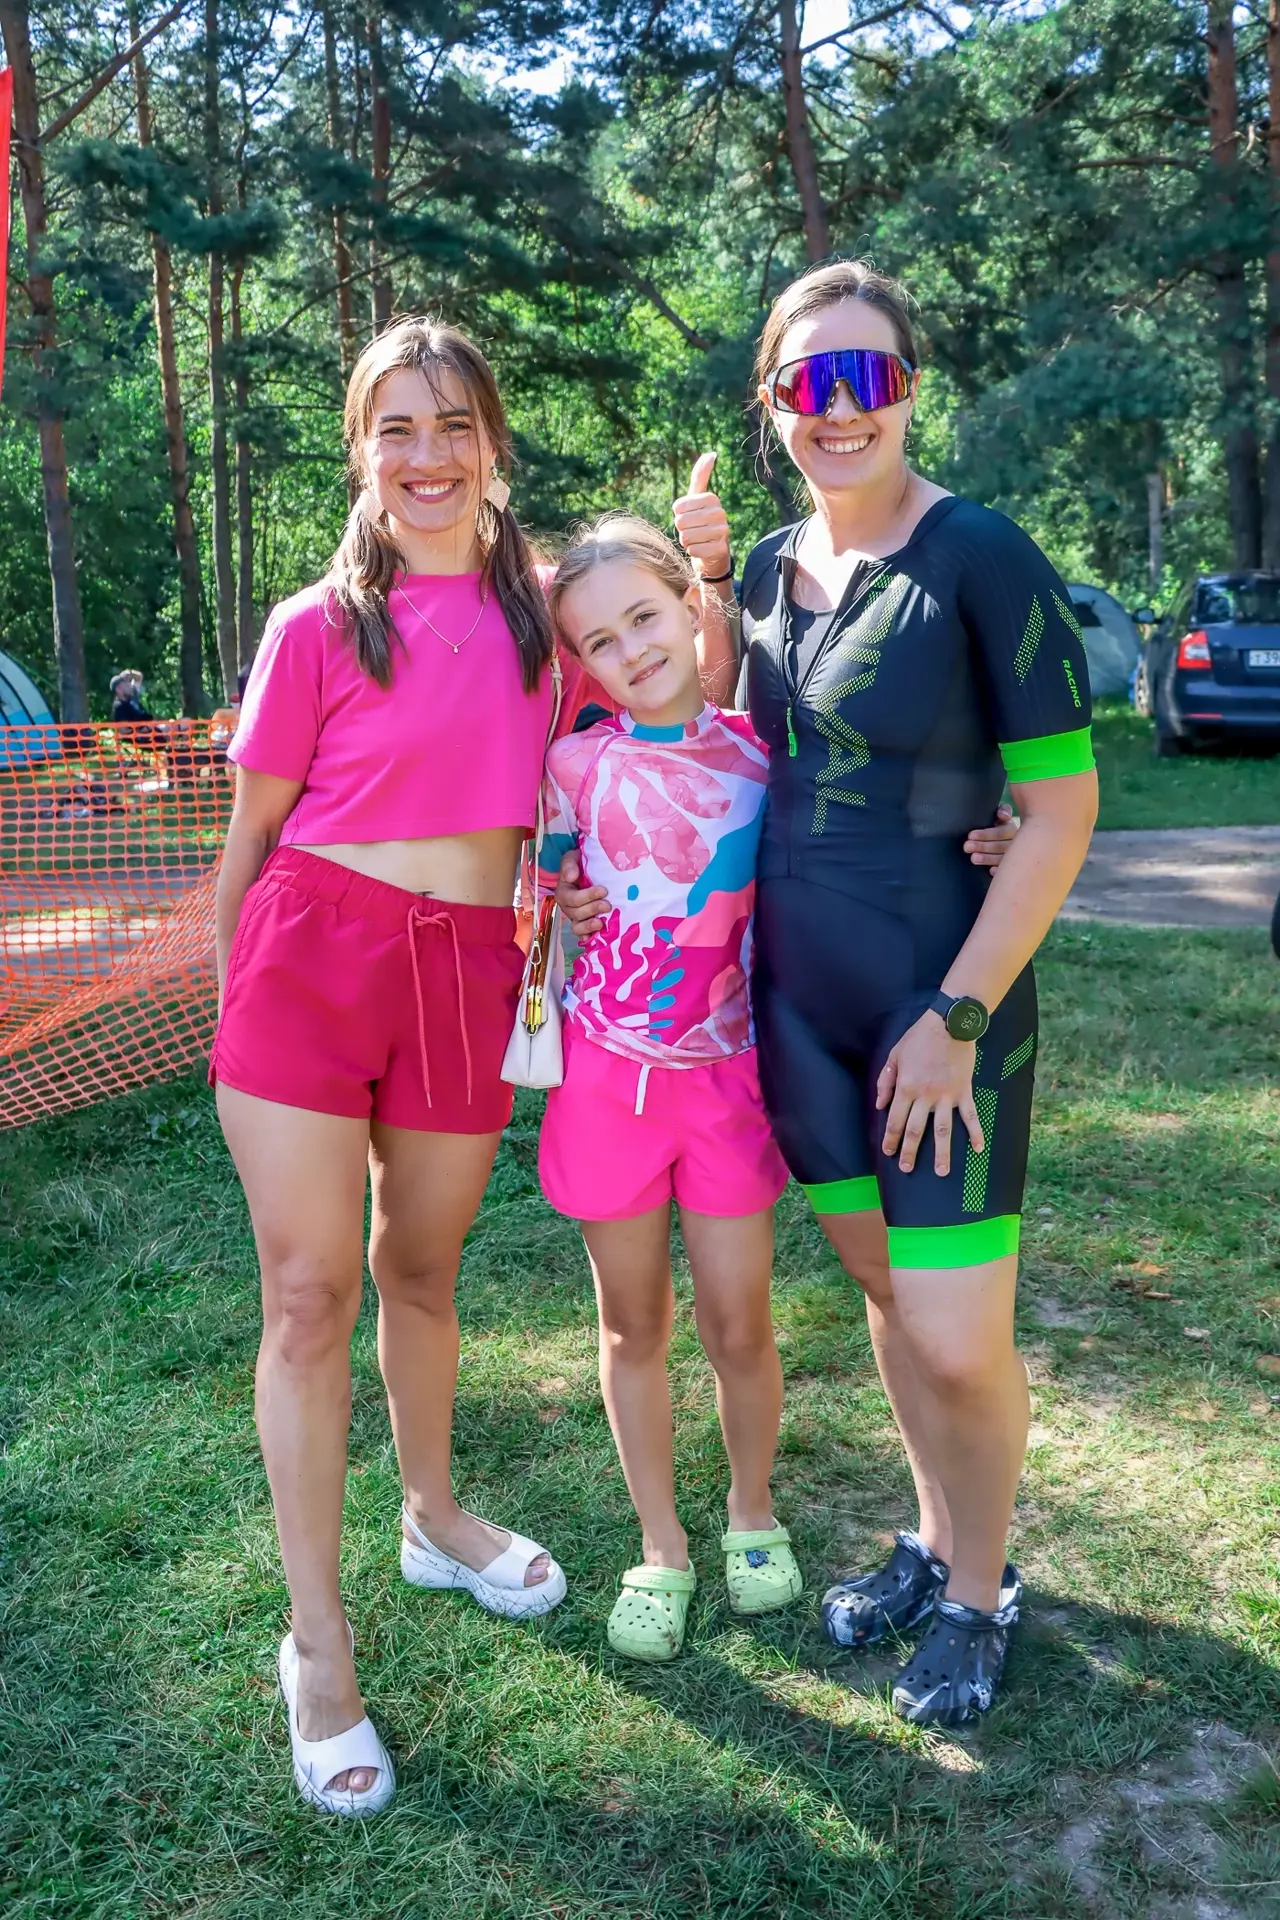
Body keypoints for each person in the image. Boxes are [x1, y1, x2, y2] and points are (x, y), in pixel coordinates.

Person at [563, 259, 1097, 1726]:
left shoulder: (981, 557)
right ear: (772, 404)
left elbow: (1060, 812)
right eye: (809, 381)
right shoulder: (764, 573)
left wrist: (959, 1018)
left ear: (909, 388)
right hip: (793, 1020)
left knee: (955, 1333)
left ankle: (982, 1595)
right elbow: (716, 753)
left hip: (942, 1013)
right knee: (885, 1298)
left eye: (867, 376)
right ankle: (930, 1543)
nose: (839, 407)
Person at [211, 319, 600, 1819]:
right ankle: (317, 1647)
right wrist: (237, 1013)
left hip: (467, 970)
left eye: (452, 426)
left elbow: (670, 686)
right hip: (309, 962)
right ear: (359, 452)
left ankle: (431, 1516)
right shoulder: (317, 625)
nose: (426, 456)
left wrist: (701, 572)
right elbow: (250, 841)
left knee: (421, 1270)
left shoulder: (544, 621)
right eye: (397, 428)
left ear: (492, 445)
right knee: (311, 1296)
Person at [537, 516, 797, 1661]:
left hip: (729, 1087)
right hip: (606, 1086)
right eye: (598, 640)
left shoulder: (761, 756)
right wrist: (553, 901)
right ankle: (660, 1543)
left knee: (739, 1323)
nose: (630, 650)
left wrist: (983, 833)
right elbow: (537, 888)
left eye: (643, 617)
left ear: (690, 609)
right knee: (629, 1323)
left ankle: (750, 1512)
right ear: (580, 663)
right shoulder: (571, 766)